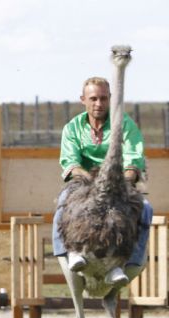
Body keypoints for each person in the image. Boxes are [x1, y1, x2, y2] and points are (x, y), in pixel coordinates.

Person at [52, 76, 153, 286]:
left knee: (145, 208)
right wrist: (93, 185)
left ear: (110, 99)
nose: (99, 104)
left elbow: (134, 158)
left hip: (119, 183)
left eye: (104, 99)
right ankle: (67, 252)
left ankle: (131, 260)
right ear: (83, 100)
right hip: (84, 184)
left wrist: (120, 182)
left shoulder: (125, 124)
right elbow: (70, 162)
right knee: (62, 203)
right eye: (94, 98)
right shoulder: (73, 128)